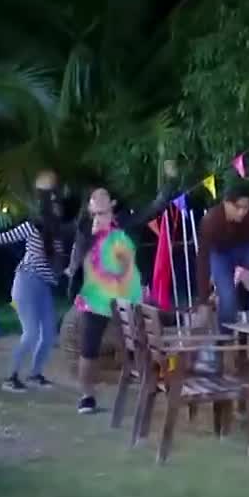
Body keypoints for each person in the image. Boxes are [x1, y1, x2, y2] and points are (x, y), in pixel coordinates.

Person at [65, 165, 177, 414]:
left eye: (102, 201)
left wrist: (169, 181)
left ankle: (149, 386)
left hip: (125, 294)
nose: (97, 206)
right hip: (95, 296)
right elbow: (79, 259)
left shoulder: (125, 222)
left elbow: (155, 207)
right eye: (93, 203)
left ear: (112, 204)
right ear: (90, 207)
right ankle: (87, 396)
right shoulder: (85, 229)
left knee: (138, 341)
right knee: (89, 347)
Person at [0, 170, 72, 393]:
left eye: (59, 204)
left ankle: (35, 375)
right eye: (54, 204)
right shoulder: (33, 227)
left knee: (48, 335)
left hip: (44, 286)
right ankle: (11, 377)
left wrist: (66, 271)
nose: (58, 209)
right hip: (26, 282)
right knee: (31, 333)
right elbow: (2, 238)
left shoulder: (57, 235)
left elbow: (55, 266)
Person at [195, 182, 249, 370]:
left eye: (246, 207)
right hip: (221, 254)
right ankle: (224, 342)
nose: (242, 212)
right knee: (228, 298)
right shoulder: (211, 221)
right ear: (226, 203)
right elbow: (203, 260)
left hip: (248, 246)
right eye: (238, 207)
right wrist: (203, 300)